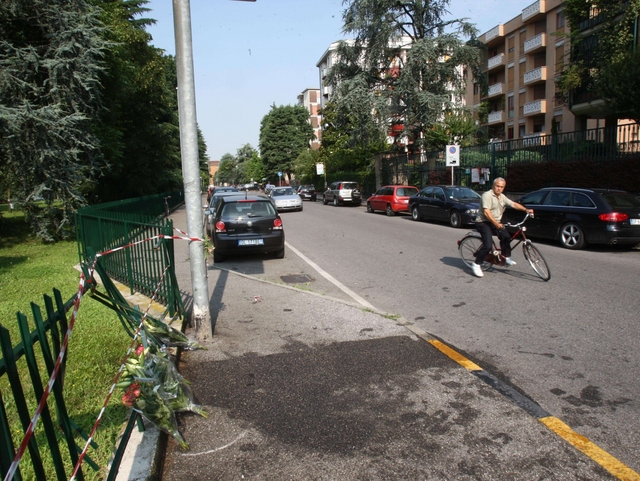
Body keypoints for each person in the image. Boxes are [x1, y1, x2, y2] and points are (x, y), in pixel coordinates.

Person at [471, 177, 534, 278]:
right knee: (487, 245)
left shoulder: (502, 197)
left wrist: (526, 210)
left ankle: (505, 257)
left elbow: (513, 204)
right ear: (493, 186)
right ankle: (476, 264)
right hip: (483, 222)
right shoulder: (487, 195)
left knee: (506, 237)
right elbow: (487, 213)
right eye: (497, 186)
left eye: (502, 187)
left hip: (495, 222)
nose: (499, 188)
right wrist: (496, 224)